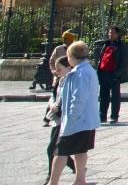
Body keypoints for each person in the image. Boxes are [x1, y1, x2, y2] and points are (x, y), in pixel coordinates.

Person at [49, 41, 99, 185]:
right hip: (85, 121)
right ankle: (80, 180)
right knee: (80, 151)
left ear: (71, 56)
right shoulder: (86, 70)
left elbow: (78, 99)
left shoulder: (80, 73)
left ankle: (54, 182)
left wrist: (71, 118)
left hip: (77, 121)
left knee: (61, 152)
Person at [45, 56, 76, 181]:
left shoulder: (71, 82)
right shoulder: (59, 80)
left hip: (64, 119)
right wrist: (52, 105)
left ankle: (50, 176)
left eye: (59, 69)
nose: (56, 72)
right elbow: (53, 97)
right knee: (57, 149)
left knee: (52, 148)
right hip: (57, 119)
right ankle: (77, 168)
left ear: (68, 68)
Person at [44, 31, 77, 127]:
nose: (66, 41)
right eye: (65, 39)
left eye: (68, 39)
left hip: (69, 75)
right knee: (54, 96)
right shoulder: (58, 49)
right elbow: (51, 61)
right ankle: (47, 118)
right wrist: (54, 71)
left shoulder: (74, 50)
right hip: (58, 76)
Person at [97, 26, 128, 124]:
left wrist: (117, 74)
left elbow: (124, 62)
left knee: (115, 97)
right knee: (103, 96)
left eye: (113, 33)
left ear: (118, 34)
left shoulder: (122, 45)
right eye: (109, 33)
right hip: (104, 74)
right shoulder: (106, 44)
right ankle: (102, 115)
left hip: (114, 75)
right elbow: (101, 58)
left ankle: (114, 116)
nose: (110, 34)